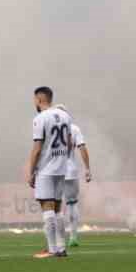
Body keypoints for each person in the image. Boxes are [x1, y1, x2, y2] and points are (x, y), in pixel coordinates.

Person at [26, 87, 73, 258]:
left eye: (34, 100)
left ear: (39, 100)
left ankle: (52, 248)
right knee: (58, 207)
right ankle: (61, 247)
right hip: (61, 168)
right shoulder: (66, 116)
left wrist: (31, 171)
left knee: (47, 207)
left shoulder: (40, 118)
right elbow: (69, 143)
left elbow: (37, 148)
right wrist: (63, 160)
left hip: (46, 169)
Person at [56, 104, 92, 247]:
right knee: (72, 203)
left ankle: (58, 239)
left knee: (55, 205)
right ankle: (73, 236)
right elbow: (82, 147)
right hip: (70, 171)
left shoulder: (51, 128)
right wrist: (87, 168)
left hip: (54, 171)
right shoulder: (74, 128)